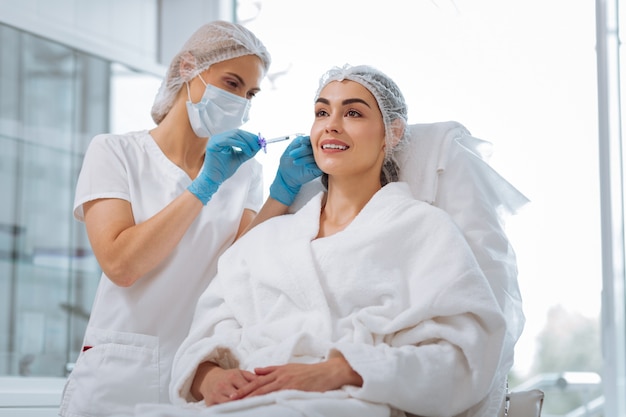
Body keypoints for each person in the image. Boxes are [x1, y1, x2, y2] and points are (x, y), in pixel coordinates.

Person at [113, 64, 515, 417]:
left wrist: (341, 370)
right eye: (322, 112)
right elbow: (204, 332)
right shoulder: (269, 238)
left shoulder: (424, 230)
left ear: (392, 132)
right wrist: (209, 377)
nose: (331, 124)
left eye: (353, 112)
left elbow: (464, 357)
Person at [59, 20, 320, 417]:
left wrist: (281, 192)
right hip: (117, 377)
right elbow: (122, 264)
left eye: (249, 93)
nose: (242, 101)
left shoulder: (244, 172)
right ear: (188, 68)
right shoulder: (116, 152)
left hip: (198, 372)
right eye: (232, 83)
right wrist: (202, 186)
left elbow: (238, 269)